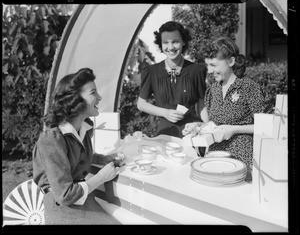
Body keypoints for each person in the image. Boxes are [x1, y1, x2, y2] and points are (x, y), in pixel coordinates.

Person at [33, 68, 124, 224]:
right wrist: (102, 177)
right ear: (75, 100)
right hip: (60, 207)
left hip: (82, 199)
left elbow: (77, 157)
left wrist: (105, 159)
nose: (100, 97)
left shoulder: (83, 129)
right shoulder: (51, 140)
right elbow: (64, 195)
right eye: (93, 92)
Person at [182, 37, 265, 166]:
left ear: (231, 61)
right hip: (214, 156)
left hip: (241, 159)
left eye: (214, 65)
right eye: (207, 65)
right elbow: (214, 124)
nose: (209, 71)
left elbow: (265, 126)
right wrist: (198, 126)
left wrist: (234, 129)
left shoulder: (249, 87)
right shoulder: (212, 89)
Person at [137, 21, 207, 138]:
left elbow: (202, 105)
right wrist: (165, 112)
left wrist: (205, 129)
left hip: (192, 133)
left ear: (183, 41)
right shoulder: (152, 71)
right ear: (161, 44)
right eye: (165, 42)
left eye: (175, 41)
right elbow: (141, 104)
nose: (170, 47)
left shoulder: (196, 70)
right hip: (166, 134)